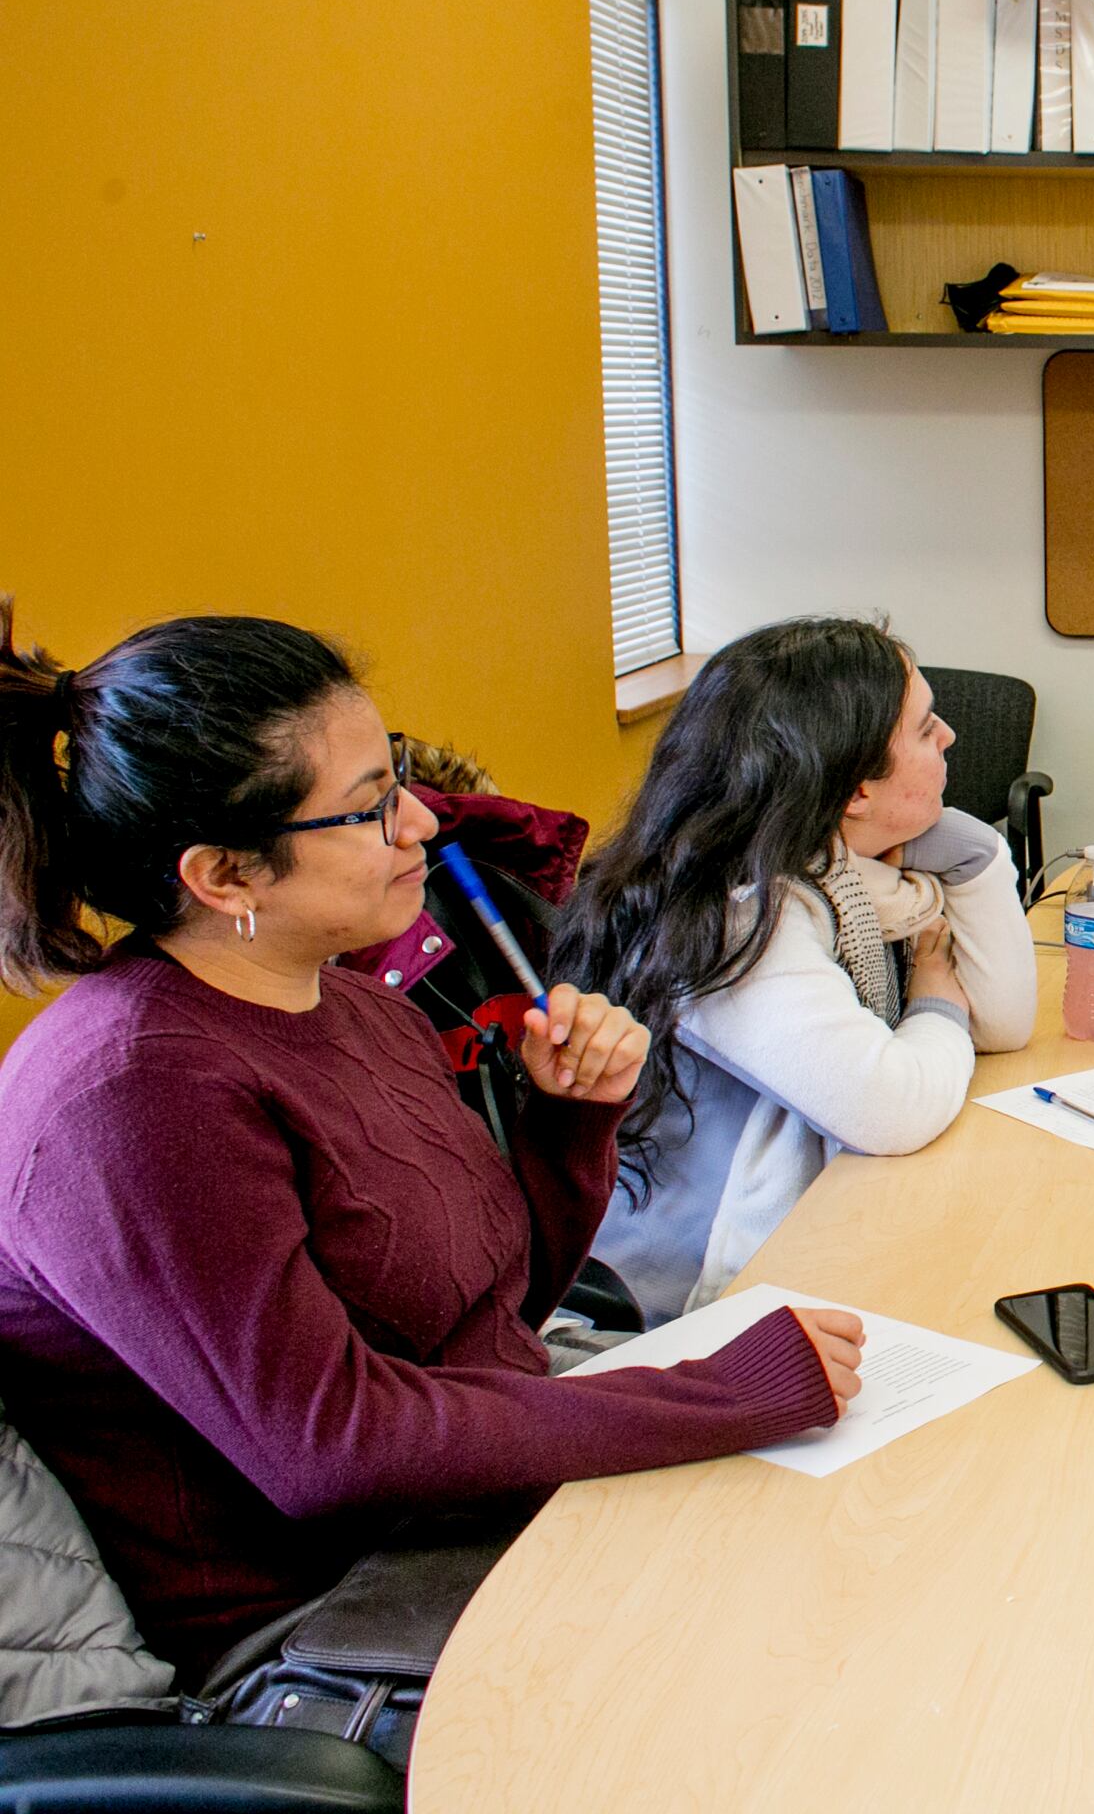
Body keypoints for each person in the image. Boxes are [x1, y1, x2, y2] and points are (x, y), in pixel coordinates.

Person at [0, 601, 863, 1684]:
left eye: (397, 776)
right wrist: (723, 1395)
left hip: (472, 1502)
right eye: (369, 809)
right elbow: (334, 1443)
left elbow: (489, 1313)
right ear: (222, 876)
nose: (423, 822)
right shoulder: (131, 1098)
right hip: (332, 1609)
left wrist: (570, 1119)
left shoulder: (357, 1005)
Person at [558, 618, 1036, 1327]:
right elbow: (893, 1106)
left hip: (815, 1234)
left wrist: (974, 853)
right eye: (926, 727)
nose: (950, 739)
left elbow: (1001, 1023)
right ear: (853, 794)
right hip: (695, 1309)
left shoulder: (856, 881)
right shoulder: (736, 916)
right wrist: (934, 1005)